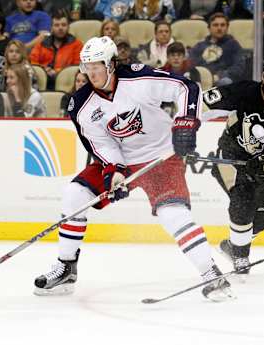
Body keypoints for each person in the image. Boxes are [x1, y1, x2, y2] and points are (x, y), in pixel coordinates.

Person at [33, 36, 233, 301]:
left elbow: (185, 87)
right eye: (86, 66)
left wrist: (185, 123)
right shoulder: (81, 105)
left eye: (97, 65)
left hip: (161, 155)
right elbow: (101, 144)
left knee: (172, 212)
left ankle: (211, 274)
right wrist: (115, 171)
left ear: (111, 63)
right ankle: (67, 266)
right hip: (123, 161)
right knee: (74, 195)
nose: (91, 72)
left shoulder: (137, 79)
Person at [201, 54, 264, 279]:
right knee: (243, 199)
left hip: (257, 167)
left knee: (260, 221)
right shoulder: (244, 91)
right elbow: (205, 103)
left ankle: (232, 246)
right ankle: (241, 256)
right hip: (229, 157)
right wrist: (184, 125)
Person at [29, 10, 83, 89]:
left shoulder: (77, 44)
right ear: (51, 27)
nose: (60, 28)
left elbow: (77, 67)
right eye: (56, 25)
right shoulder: (41, 45)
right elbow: (33, 63)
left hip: (68, 83)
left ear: (68, 27)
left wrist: (57, 71)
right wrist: (44, 69)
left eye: (63, 25)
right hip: (43, 82)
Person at [189, 12, 246, 86]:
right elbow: (191, 64)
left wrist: (219, 76)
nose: (219, 28)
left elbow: (238, 67)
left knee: (225, 82)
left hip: (222, 80)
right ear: (209, 28)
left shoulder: (233, 45)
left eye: (222, 25)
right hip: (201, 80)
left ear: (227, 27)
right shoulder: (199, 46)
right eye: (215, 25)